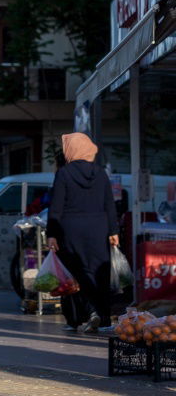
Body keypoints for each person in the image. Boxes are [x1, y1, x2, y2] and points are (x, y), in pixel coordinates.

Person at [47, 132, 119, 333]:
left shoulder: (64, 173)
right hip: (99, 228)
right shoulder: (101, 173)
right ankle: (104, 320)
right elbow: (109, 204)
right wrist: (113, 230)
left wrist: (51, 233)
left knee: (75, 274)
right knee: (100, 274)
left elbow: (56, 206)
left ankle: (77, 318)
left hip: (70, 229)